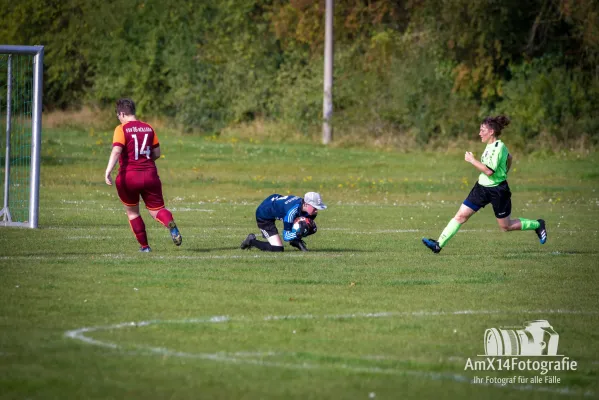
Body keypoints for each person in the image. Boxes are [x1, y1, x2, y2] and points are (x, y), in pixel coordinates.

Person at [422, 115, 547, 254]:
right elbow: (509, 157)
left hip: (498, 191)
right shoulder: (490, 146)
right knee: (460, 216)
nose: (479, 133)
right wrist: (505, 170)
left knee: (506, 226)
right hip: (481, 188)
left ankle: (537, 224)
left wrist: (472, 160)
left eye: (482, 130)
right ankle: (438, 244)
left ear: (491, 131)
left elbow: (488, 171)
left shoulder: (498, 147)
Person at [104, 98, 182, 252]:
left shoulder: (121, 129)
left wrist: (107, 171)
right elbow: (157, 153)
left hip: (128, 177)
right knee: (157, 210)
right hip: (150, 175)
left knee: (133, 213)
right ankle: (170, 224)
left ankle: (145, 247)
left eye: (118, 115)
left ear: (122, 113)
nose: (118, 118)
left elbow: (117, 150)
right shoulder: (148, 128)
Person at [240, 192, 327, 252]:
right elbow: (286, 236)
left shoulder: (310, 212)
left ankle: (295, 241)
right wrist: (298, 234)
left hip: (275, 203)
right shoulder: (291, 212)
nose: (316, 210)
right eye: (315, 207)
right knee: (277, 249)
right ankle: (251, 241)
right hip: (264, 213)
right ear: (306, 204)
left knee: (304, 226)